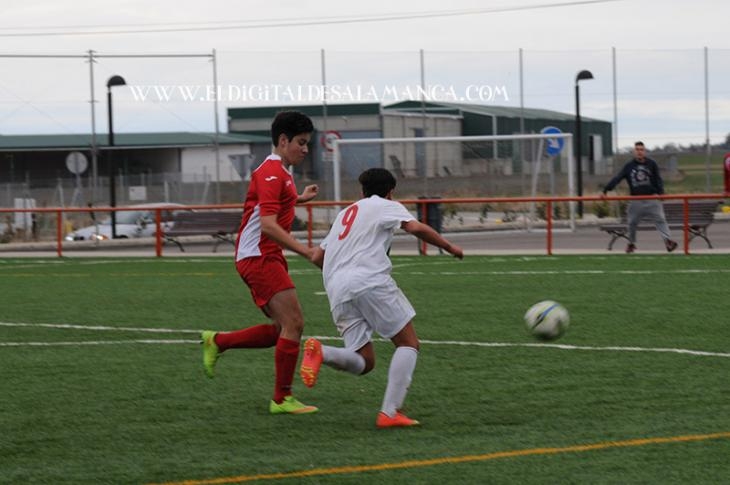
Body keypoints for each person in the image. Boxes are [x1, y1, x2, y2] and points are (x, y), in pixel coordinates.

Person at [300, 168, 464, 428]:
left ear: (361, 191)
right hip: (369, 280)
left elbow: (318, 257)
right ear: (390, 192)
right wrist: (449, 247)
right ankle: (390, 413)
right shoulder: (386, 205)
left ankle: (323, 352)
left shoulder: (345, 214)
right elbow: (415, 227)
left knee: (365, 361)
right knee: (408, 343)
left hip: (336, 287)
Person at [200, 110, 320, 415]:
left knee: (283, 328)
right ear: (283, 140)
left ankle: (218, 341)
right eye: (302, 143)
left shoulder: (282, 171)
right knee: (294, 323)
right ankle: (281, 399)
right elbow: (267, 224)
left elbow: (274, 205)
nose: (306, 149)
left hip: (265, 255)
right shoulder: (271, 173)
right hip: (258, 256)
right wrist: (306, 251)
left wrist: (301, 198)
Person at [601, 141, 677, 253]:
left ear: (644, 151)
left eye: (641, 149)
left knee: (660, 219)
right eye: (637, 149)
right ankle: (631, 243)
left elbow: (658, 179)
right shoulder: (629, 166)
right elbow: (618, 178)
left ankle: (668, 241)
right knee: (632, 223)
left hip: (651, 198)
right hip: (636, 199)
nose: (639, 152)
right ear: (634, 152)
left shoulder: (652, 164)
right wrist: (606, 190)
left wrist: (661, 193)